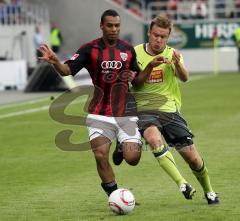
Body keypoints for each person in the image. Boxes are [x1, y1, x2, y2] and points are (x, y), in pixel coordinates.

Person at [38, 9, 163, 197]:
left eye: (117, 26)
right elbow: (66, 70)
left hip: (125, 112)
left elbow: (137, 81)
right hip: (99, 112)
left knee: (133, 158)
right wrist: (55, 61)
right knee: (100, 155)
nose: (114, 29)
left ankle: (122, 146)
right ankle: (114, 196)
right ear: (102, 26)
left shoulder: (128, 49)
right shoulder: (89, 49)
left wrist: (148, 69)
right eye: (110, 25)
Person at [132, 14, 219, 204]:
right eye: (155, 35)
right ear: (149, 32)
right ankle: (182, 183)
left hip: (169, 110)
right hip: (144, 109)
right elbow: (136, 84)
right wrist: (149, 66)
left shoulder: (172, 54)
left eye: (163, 36)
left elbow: (185, 78)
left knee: (194, 159)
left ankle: (210, 191)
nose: (158, 40)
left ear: (168, 36)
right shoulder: (135, 53)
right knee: (153, 139)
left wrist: (177, 63)